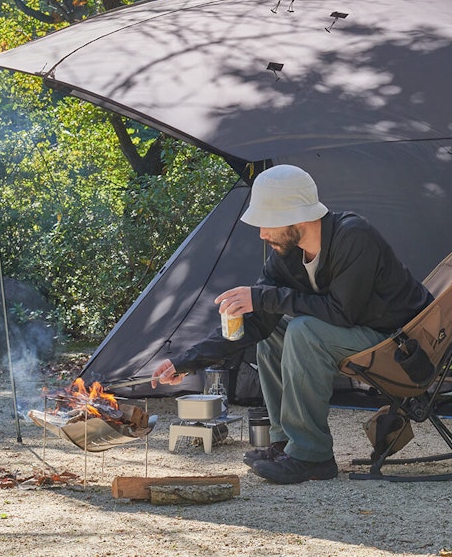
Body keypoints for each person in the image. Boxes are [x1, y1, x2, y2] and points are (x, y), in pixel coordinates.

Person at [152, 164, 431, 484]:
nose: (262, 233)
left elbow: (341, 314)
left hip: (397, 344)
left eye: (267, 223)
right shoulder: (286, 256)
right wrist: (184, 362)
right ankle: (285, 444)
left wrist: (264, 298)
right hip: (357, 336)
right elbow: (255, 323)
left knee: (302, 330)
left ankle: (312, 455)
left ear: (297, 216)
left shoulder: (354, 237)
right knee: (272, 335)